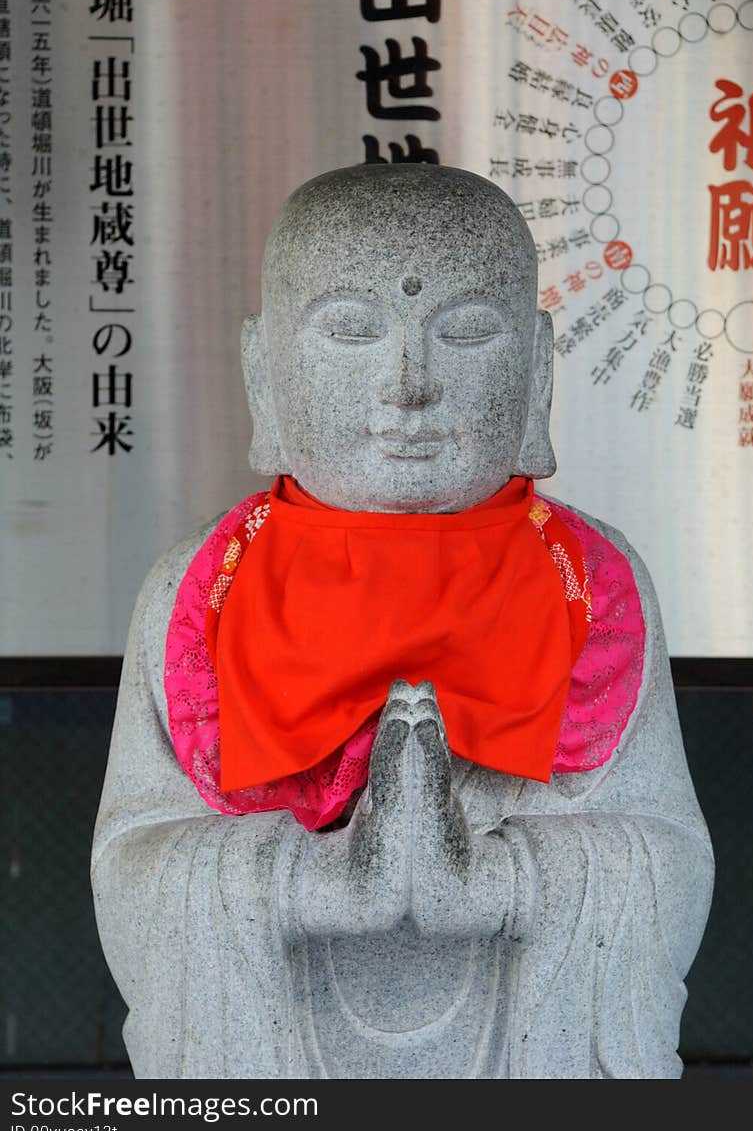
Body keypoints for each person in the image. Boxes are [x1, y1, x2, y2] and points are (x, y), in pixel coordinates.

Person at [92, 163, 713, 1079]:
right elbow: (134, 864)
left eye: (464, 333)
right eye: (350, 331)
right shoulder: (199, 594)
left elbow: (666, 856)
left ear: (538, 368)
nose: (408, 385)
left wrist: (496, 884)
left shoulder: (592, 588)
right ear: (263, 373)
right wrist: (312, 884)